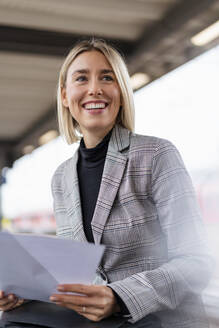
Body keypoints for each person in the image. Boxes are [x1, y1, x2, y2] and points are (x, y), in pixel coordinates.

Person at [0, 39, 213, 328]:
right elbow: (75, 274)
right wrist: (24, 292)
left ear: (121, 93)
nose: (94, 89)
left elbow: (197, 262)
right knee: (11, 318)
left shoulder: (156, 155)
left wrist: (119, 296)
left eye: (107, 77)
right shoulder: (62, 178)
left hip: (156, 319)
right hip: (99, 321)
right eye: (81, 78)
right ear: (65, 95)